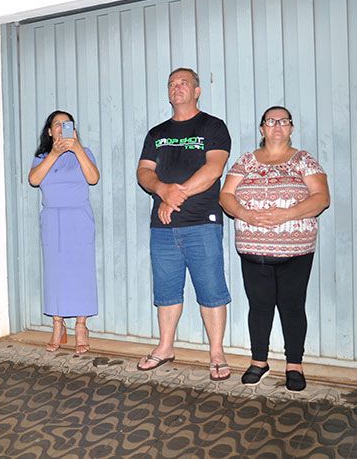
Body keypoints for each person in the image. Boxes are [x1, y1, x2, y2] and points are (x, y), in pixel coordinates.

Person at [219, 106, 330, 391]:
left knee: (292, 306)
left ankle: (295, 365)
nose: (277, 125)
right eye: (271, 121)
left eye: (284, 121)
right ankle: (259, 361)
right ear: (262, 129)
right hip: (253, 250)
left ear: (291, 128)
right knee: (259, 306)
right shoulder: (246, 161)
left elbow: (321, 198)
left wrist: (287, 214)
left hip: (296, 251)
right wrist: (245, 214)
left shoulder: (304, 160)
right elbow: (226, 196)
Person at [136, 67, 232, 380]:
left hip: (202, 223)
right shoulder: (157, 133)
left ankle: (216, 353)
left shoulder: (213, 126)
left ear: (197, 91)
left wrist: (174, 196)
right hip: (162, 228)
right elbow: (144, 172)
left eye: (183, 83)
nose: (176, 87)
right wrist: (161, 189)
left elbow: (214, 169)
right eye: (172, 84)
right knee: (166, 290)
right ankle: (165, 347)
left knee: (211, 289)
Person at [28, 110, 100, 354]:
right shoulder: (42, 157)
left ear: (73, 129)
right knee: (55, 273)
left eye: (66, 124)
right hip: (52, 219)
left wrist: (76, 148)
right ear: (50, 131)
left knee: (81, 272)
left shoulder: (84, 152)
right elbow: (34, 180)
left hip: (79, 218)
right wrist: (55, 154)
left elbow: (93, 178)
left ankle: (81, 326)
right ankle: (58, 325)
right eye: (57, 124)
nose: (61, 127)